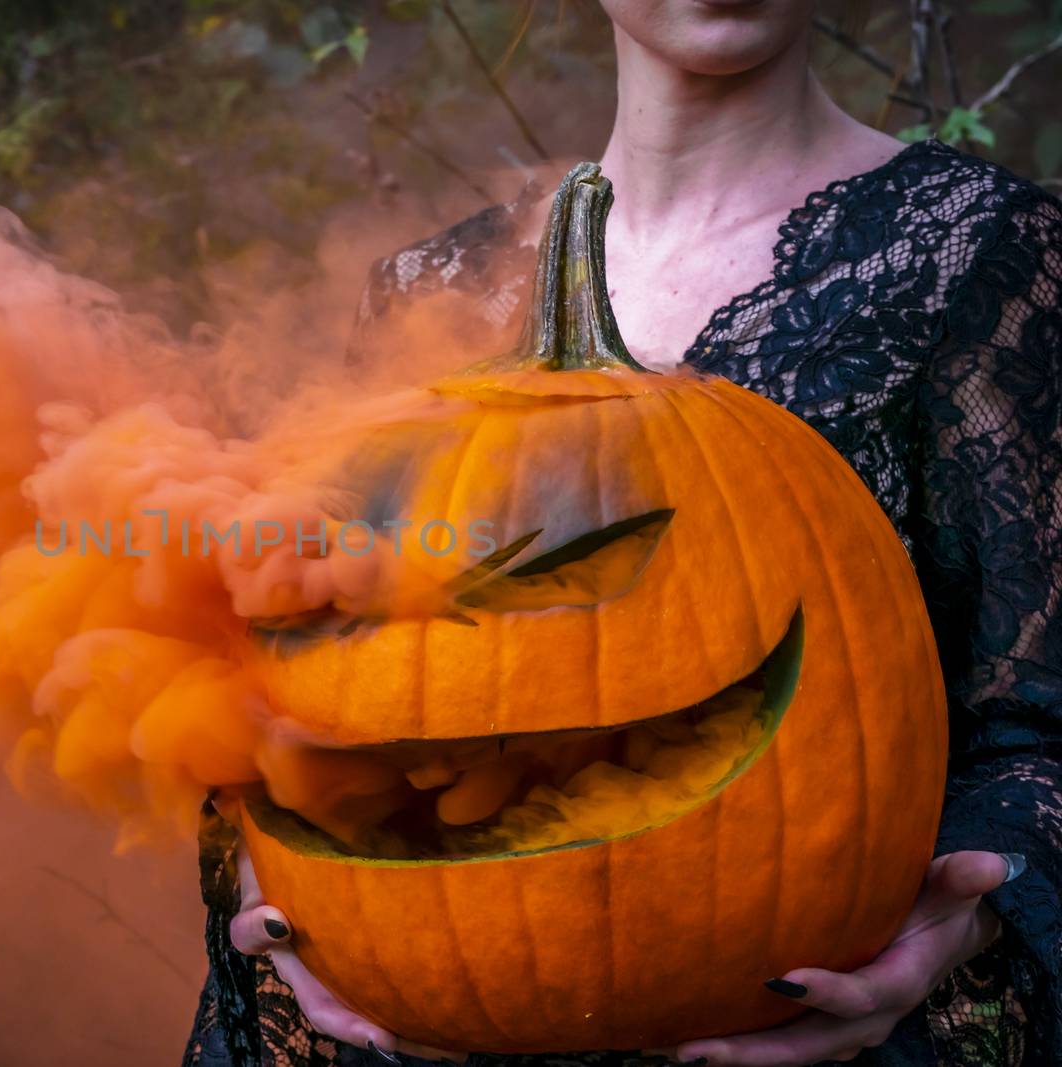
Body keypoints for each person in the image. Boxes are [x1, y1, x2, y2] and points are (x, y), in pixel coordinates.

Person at [180, 1, 1062, 1065]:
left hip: (827, 1016)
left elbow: (1039, 717)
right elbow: (313, 668)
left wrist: (965, 918)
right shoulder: (427, 296)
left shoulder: (979, 255)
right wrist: (291, 863)